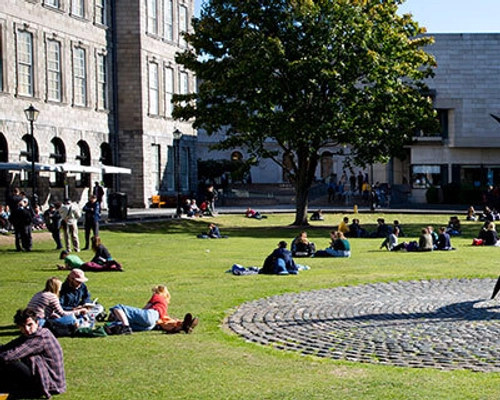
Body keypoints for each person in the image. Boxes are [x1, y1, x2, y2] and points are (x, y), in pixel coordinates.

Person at [0, 308, 66, 399]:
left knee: (9, 362)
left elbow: (8, 356)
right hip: (42, 377)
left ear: (37, 323)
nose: (27, 329)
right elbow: (8, 346)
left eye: (30, 325)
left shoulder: (40, 337)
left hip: (49, 384)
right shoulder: (31, 335)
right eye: (23, 326)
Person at [107, 285, 198, 335]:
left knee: (118, 307)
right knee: (121, 324)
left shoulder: (157, 297)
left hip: (150, 316)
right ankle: (182, 326)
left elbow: (145, 308)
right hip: (152, 324)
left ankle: (125, 327)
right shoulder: (164, 306)